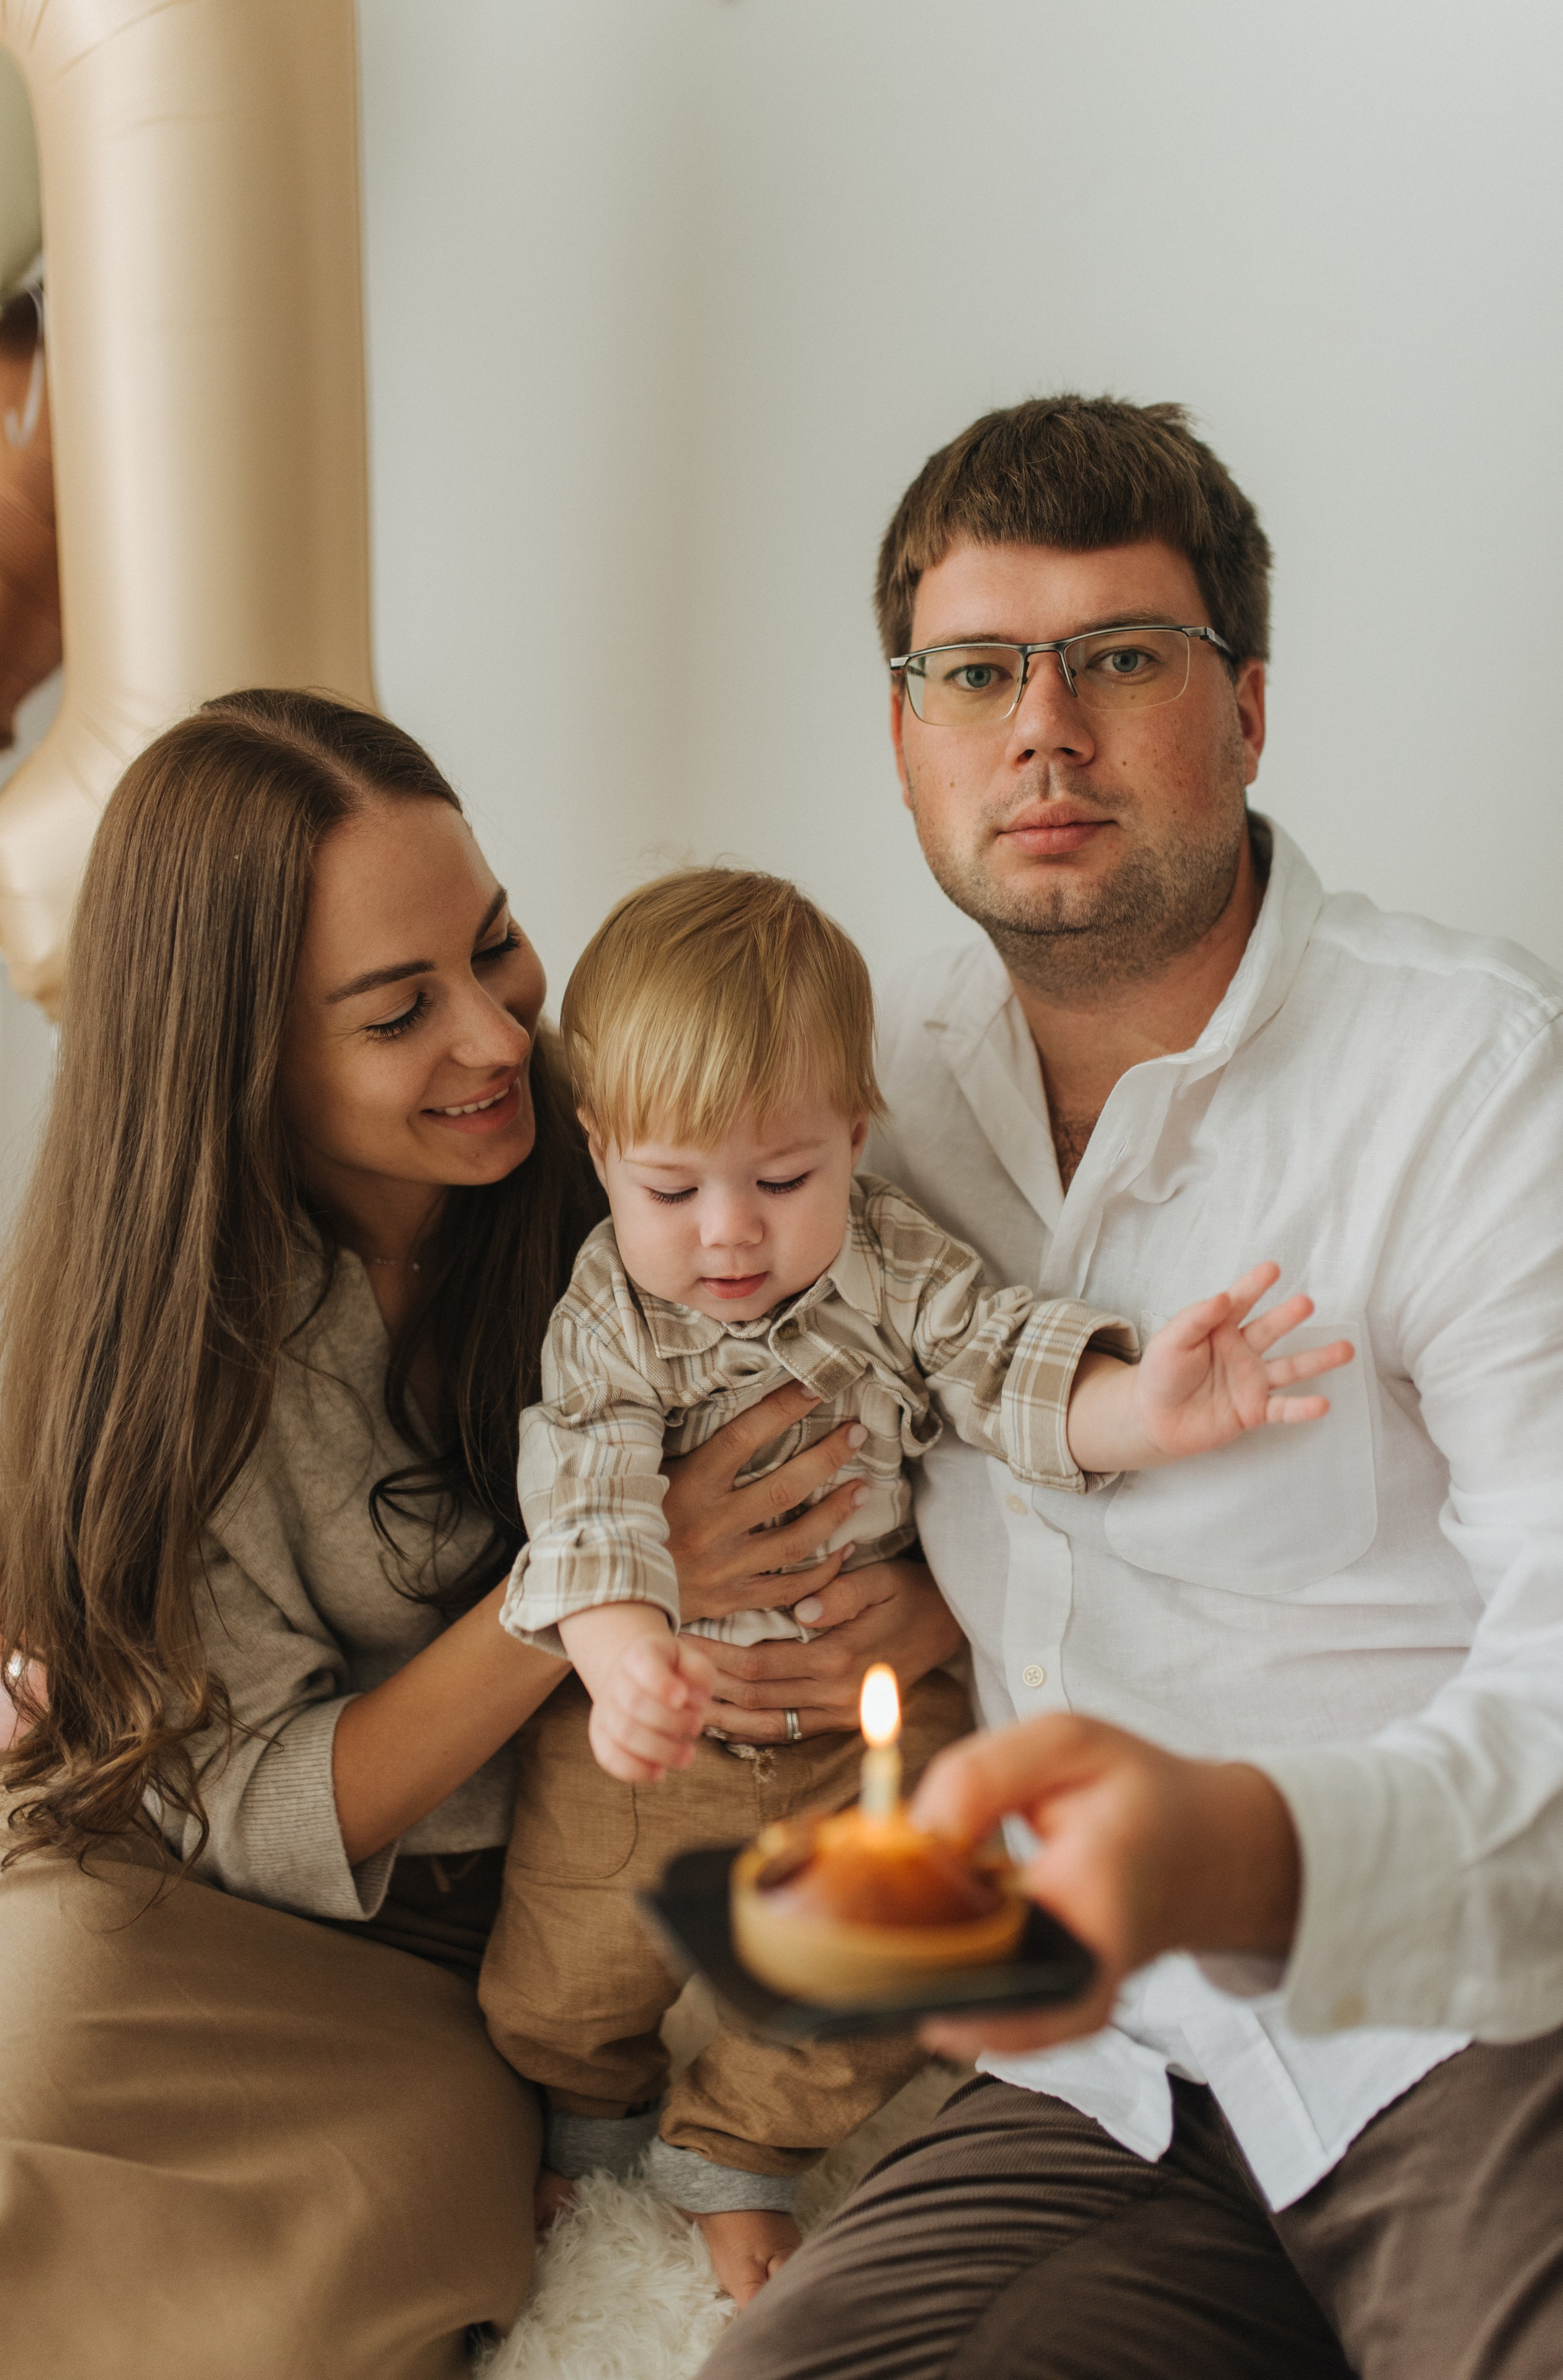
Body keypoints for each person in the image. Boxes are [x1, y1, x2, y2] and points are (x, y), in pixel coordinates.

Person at [700, 395, 1563, 2380]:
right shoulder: (858, 1089)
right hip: (1096, 2057)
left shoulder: (1476, 1077)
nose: (1043, 729)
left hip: (1468, 2010)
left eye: (1120, 660)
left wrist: (1243, 1844)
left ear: (1248, 713)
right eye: (976, 670)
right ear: (903, 731)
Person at [0, 690, 961, 2380]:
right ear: (243, 1054)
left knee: (321, 2279)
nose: (499, 1037)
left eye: (496, 945)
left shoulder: (648, 1174)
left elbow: (927, 1406)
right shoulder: (167, 1347)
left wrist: (917, 1620)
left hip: (490, 1948)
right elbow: (235, 1799)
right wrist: (591, 1582)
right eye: (395, 1009)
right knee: (14, 2134)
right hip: (183, 1896)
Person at [484, 863, 1348, 2304]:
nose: (730, 1235)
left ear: (853, 1137)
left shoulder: (891, 1268)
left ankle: (741, 2147)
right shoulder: (607, 1312)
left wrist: (1146, 1411)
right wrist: (623, 1650)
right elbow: (580, 1483)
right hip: (653, 1714)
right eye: (671, 1188)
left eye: (781, 1179)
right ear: (597, 1152)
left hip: (859, 1722)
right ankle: (586, 2103)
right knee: (564, 1957)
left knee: (898, 1949)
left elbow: (1002, 1363)